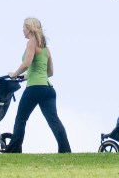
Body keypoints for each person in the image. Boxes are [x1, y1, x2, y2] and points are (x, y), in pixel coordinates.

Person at [5, 18, 71, 153]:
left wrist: (14, 74)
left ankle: (13, 150)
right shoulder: (46, 47)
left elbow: (27, 63)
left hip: (34, 88)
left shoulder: (31, 43)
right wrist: (26, 76)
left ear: (29, 29)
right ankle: (65, 150)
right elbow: (50, 72)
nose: (22, 30)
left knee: (21, 118)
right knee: (53, 120)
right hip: (48, 89)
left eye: (24, 27)